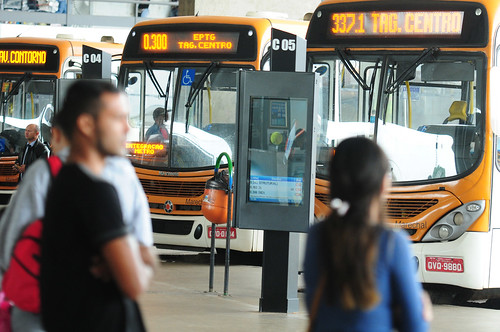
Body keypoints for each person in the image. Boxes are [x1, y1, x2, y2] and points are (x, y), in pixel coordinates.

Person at [0, 111, 153, 331]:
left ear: (58, 134)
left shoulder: (44, 174)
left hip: (40, 306)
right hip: (100, 307)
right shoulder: (121, 175)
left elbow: (8, 247)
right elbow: (141, 257)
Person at [40, 81, 155, 332]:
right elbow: (135, 282)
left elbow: (144, 259)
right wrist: (135, 259)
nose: (127, 127)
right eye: (117, 118)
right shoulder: (94, 192)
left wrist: (126, 258)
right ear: (86, 125)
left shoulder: (65, 182)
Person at [304, 137, 430, 332]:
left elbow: (314, 303)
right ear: (383, 186)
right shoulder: (393, 243)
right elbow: (415, 326)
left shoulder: (317, 236)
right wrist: (425, 311)